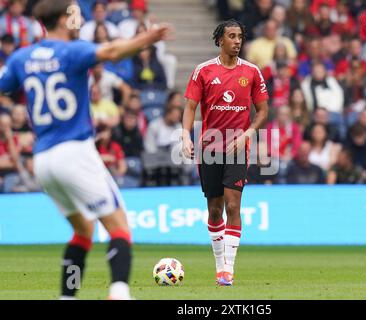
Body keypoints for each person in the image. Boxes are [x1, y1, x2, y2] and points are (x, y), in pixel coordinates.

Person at [0, 0, 172, 300]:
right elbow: (112, 51)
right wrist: (147, 38)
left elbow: (4, 86)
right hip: (75, 152)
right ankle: (119, 293)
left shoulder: (21, 58)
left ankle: (67, 296)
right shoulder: (73, 51)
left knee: (82, 232)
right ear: (64, 20)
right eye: (75, 14)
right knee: (120, 227)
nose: (79, 19)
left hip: (43, 160)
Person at [182, 19, 269, 286]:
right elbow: (190, 107)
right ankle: (218, 264)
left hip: (237, 148)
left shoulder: (252, 72)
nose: (237, 41)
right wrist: (185, 135)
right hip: (209, 149)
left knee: (233, 205)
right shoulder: (203, 71)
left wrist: (247, 134)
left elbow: (263, 111)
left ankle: (227, 270)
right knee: (215, 210)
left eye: (240, 36)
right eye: (231, 36)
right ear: (220, 39)